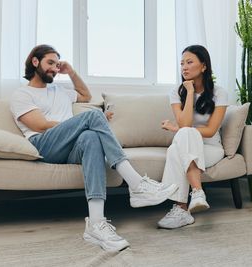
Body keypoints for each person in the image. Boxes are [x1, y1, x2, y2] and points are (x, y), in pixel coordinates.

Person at [10, 44, 178, 252]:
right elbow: (40, 125)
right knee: (92, 116)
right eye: (49, 63)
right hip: (44, 144)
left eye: (57, 64)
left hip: (69, 147)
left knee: (90, 137)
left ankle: (96, 224)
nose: (54, 68)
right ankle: (136, 183)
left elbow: (85, 95)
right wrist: (84, 120)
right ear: (35, 62)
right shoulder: (22, 94)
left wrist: (70, 72)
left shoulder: (60, 91)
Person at [157, 45, 228, 229]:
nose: (184, 68)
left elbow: (211, 130)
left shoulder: (220, 93)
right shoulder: (176, 92)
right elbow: (185, 124)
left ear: (203, 66)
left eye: (189, 62)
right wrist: (189, 93)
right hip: (186, 143)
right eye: (182, 64)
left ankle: (181, 209)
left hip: (210, 148)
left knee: (180, 142)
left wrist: (177, 129)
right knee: (177, 146)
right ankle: (197, 193)